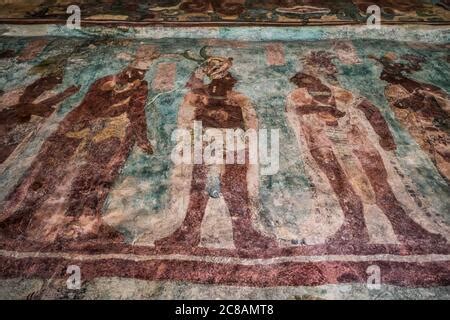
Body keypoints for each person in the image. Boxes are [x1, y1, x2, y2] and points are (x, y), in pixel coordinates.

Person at [286, 50, 446, 246]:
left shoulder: (340, 92)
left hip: (356, 139)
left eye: (305, 77)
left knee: (379, 179)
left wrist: (384, 134)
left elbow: (369, 108)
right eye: (300, 79)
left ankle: (402, 224)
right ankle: (354, 227)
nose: (301, 81)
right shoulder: (297, 96)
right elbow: (296, 110)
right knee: (339, 185)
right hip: (322, 144)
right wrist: (323, 109)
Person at [0, 45, 158, 242]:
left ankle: (82, 220)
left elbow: (136, 112)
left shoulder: (140, 86)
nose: (137, 76)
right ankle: (23, 216)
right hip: (78, 131)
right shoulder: (106, 81)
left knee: (97, 177)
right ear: (125, 69)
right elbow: (92, 105)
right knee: (49, 171)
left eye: (142, 73)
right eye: (134, 72)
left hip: (111, 136)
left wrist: (141, 138)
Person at [155, 48, 276, 250]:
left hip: (236, 144)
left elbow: (251, 122)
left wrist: (247, 142)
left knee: (236, 186)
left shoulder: (238, 98)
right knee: (199, 186)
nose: (226, 81)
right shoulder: (197, 97)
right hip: (205, 143)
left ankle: (245, 232)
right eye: (220, 77)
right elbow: (186, 120)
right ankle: (188, 232)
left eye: (226, 77)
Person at [370, 53, 449, 183]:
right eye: (387, 73)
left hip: (439, 122)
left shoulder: (422, 85)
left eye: (393, 71)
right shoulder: (392, 90)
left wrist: (426, 100)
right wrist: (413, 104)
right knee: (440, 155)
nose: (387, 76)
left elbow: (441, 97)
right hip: (427, 129)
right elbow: (400, 111)